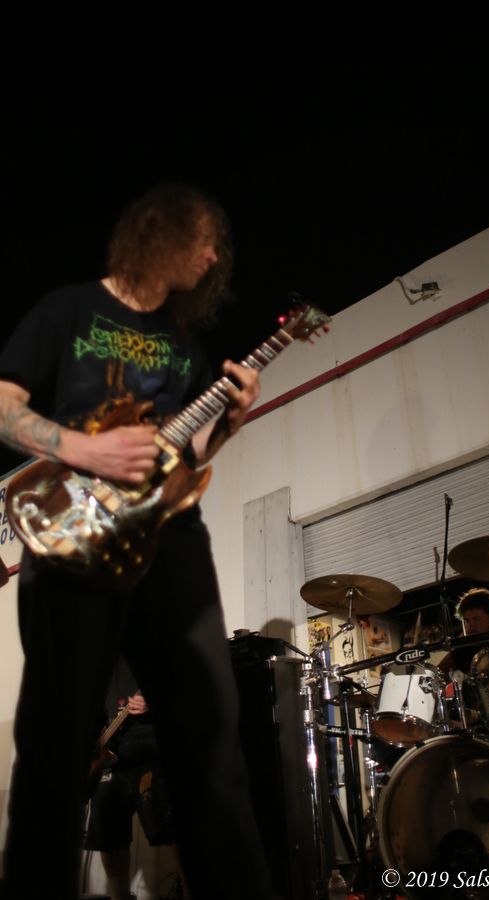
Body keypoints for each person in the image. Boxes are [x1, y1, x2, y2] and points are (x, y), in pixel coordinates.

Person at [0, 183, 272, 900]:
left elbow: (187, 457)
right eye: (204, 239)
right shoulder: (68, 310)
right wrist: (81, 448)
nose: (213, 257)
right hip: (74, 530)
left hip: (170, 536)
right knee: (56, 745)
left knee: (211, 738)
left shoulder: (185, 346)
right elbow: (3, 405)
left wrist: (228, 422)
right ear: (161, 232)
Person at [85, 660, 181, 900]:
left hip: (148, 742)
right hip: (108, 751)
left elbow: (184, 678)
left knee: (169, 826)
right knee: (108, 835)